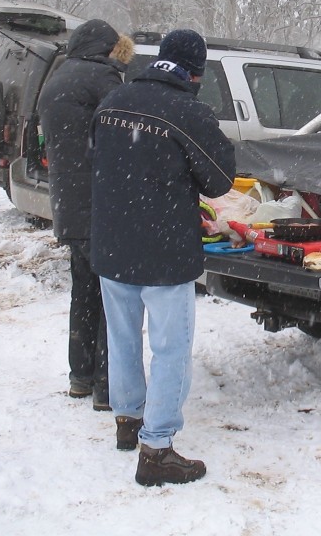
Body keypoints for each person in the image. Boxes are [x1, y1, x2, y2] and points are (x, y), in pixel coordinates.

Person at [90, 29, 235, 487]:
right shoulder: (188, 112)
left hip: (112, 244)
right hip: (164, 253)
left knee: (123, 337)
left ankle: (128, 421)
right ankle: (157, 450)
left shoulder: (113, 99)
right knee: (170, 348)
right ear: (196, 73)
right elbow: (220, 179)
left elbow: (101, 158)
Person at [36, 18, 134, 411]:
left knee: (84, 290)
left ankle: (81, 376)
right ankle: (107, 389)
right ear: (107, 50)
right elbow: (122, 140)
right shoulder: (104, 81)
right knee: (113, 296)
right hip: (100, 204)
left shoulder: (56, 80)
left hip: (69, 204)